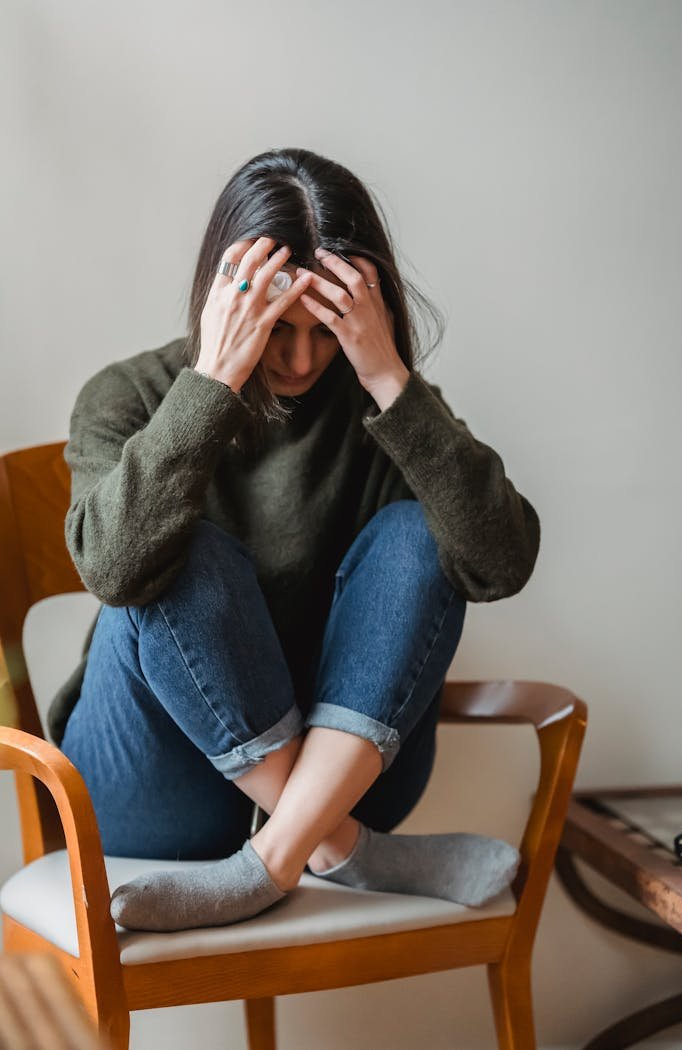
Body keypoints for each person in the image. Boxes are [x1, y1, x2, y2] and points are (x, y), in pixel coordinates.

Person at [51, 146, 541, 933]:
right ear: (225, 298)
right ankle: (340, 846)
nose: (304, 357)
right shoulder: (128, 396)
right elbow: (113, 568)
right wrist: (210, 386)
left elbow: (500, 563)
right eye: (280, 327)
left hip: (347, 761)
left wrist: (390, 380)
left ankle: (277, 855)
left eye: (328, 328)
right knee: (180, 557)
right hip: (153, 780)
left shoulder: (386, 409)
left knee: (423, 533)